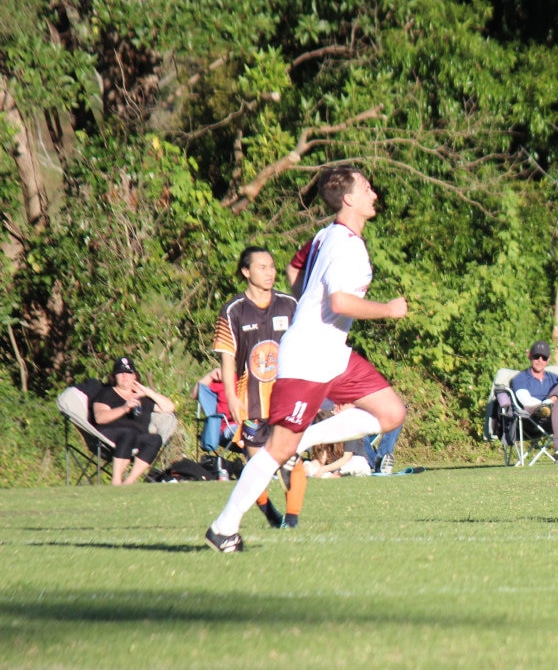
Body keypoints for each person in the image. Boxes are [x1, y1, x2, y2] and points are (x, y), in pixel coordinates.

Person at [205, 165, 408, 551]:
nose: (374, 195)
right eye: (367, 188)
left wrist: (304, 305)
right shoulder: (348, 246)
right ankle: (223, 527)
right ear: (348, 199)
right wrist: (388, 309)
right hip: (308, 357)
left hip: (332, 351)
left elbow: (296, 267)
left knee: (392, 413)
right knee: (277, 448)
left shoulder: (324, 234)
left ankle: (305, 439)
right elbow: (340, 301)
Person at [212, 245, 298, 527]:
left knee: (292, 458)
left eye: (272, 266)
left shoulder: (289, 304)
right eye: (262, 267)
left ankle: (292, 520)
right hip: (250, 399)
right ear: (246, 272)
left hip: (287, 394)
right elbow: (227, 359)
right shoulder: (233, 310)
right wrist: (230, 399)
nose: (270, 272)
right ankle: (272, 515)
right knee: (256, 465)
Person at [91, 356, 177, 486]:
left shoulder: (142, 397)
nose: (125, 376)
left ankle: (129, 481)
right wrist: (124, 408)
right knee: (128, 433)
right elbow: (100, 417)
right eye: (121, 373)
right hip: (110, 435)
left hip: (137, 437)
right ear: (114, 376)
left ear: (135, 376)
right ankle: (116, 480)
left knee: (155, 439)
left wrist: (148, 392)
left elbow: (169, 407)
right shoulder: (106, 393)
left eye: (128, 373)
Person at [511, 340, 558, 464]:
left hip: (556, 417)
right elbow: (525, 400)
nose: (540, 360)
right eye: (536, 356)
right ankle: (550, 403)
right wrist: (544, 405)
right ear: (529, 356)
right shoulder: (520, 378)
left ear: (548, 360)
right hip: (533, 418)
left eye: (544, 357)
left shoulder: (554, 378)